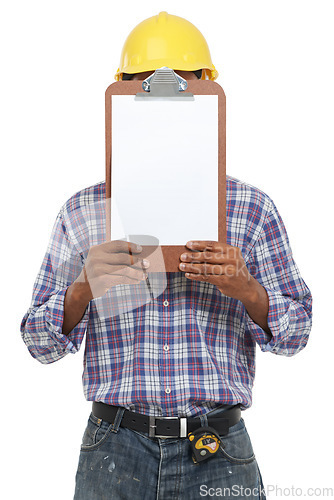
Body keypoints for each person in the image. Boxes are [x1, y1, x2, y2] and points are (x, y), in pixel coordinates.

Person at [20, 12, 312, 500]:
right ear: (121, 97)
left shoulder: (252, 208)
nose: (162, 96)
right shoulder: (83, 210)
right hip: (114, 450)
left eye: (182, 83)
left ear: (206, 89)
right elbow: (38, 342)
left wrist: (246, 289)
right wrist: (85, 287)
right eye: (143, 85)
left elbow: (296, 333)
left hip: (217, 449)